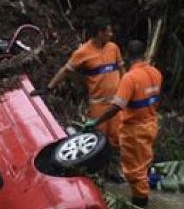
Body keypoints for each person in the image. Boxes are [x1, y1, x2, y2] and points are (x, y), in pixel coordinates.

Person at [82, 39, 161, 207]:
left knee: (135, 173)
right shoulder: (155, 73)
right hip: (151, 124)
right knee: (143, 164)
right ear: (143, 54)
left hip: (135, 130)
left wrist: (97, 121)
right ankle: (143, 196)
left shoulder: (130, 78)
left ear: (127, 55)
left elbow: (116, 106)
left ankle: (140, 208)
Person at [41, 17, 124, 148]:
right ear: (99, 33)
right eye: (108, 32)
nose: (111, 34)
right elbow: (66, 70)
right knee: (99, 139)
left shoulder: (113, 48)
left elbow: (122, 69)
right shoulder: (83, 52)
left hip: (116, 104)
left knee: (119, 137)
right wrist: (49, 87)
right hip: (99, 105)